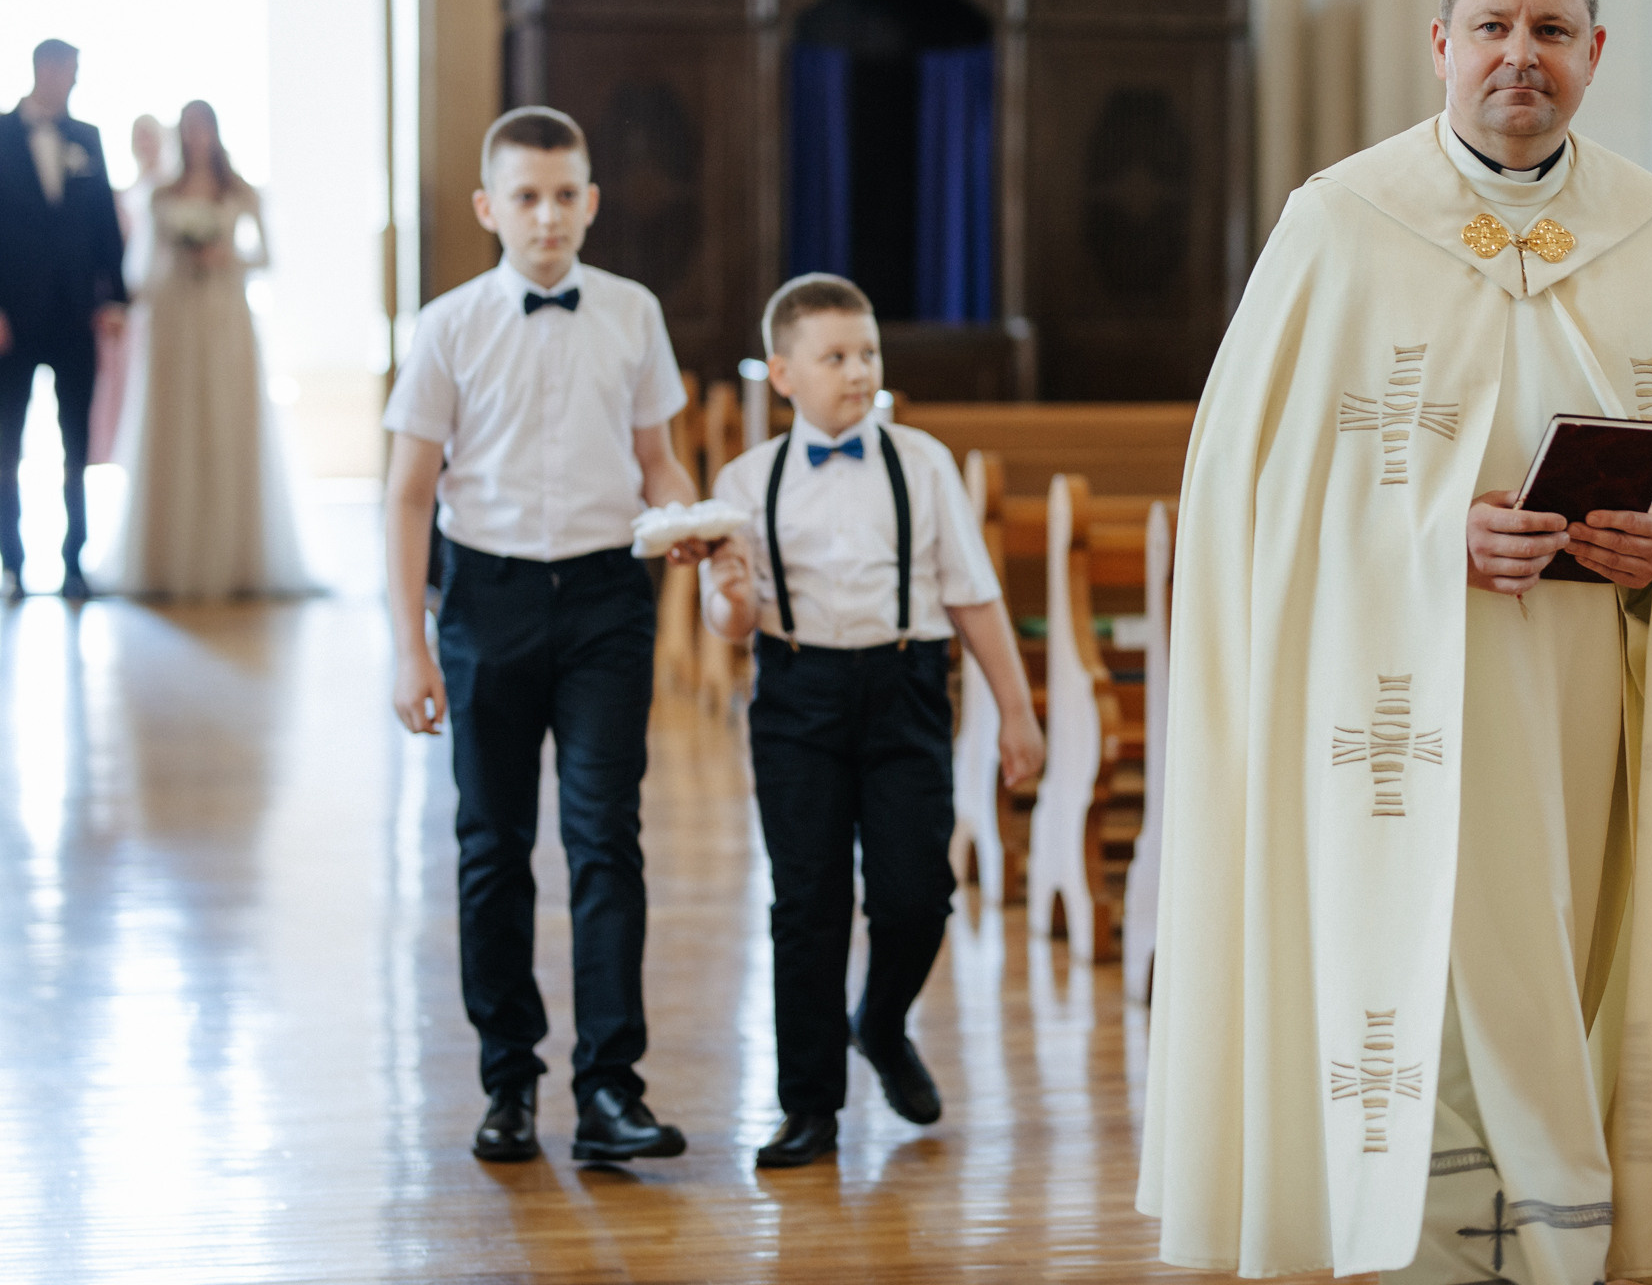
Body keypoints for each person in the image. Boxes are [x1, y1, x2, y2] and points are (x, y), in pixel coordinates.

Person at [1138, 0, 1652, 1285]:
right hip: (1394, 715)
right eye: (1492, 27)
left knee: (1587, 945)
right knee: (1423, 957)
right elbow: (1249, 513)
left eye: (1551, 32)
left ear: (1594, 56)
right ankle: (1423, 1248)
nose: (1520, 56)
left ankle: (1582, 1232)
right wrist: (1435, 541)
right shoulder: (1339, 225)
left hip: (1591, 712)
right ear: (1441, 47)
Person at [384, 105, 711, 1166]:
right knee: (492, 846)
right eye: (525, 196)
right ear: (489, 208)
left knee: (605, 838)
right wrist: (409, 643)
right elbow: (405, 498)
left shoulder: (633, 312)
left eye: (566, 193)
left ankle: (611, 1086)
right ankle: (508, 1083)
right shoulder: (447, 326)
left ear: (592, 202)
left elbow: (654, 457)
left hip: (611, 599)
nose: (548, 214)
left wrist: (690, 518)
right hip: (485, 600)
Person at [698, 274, 1044, 1170]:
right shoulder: (746, 481)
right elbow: (731, 623)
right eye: (835, 358)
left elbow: (973, 597)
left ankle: (881, 1024)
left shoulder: (923, 463)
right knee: (806, 906)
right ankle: (809, 1107)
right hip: (797, 698)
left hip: (905, 691)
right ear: (783, 373)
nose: (857, 373)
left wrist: (1017, 713)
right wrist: (730, 597)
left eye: (868, 355)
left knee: (915, 893)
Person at [108, 101, 311, 598]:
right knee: (176, 428)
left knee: (225, 425)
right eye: (190, 128)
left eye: (205, 127)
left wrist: (228, 258)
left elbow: (264, 256)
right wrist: (127, 306)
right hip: (176, 319)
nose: (198, 137)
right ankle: (168, 560)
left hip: (225, 317)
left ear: (216, 133)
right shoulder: (161, 195)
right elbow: (145, 270)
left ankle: (233, 557)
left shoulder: (240, 191)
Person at [0, 39, 128, 600]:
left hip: (76, 317)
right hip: (11, 321)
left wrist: (115, 299)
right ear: (43, 69)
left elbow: (105, 226)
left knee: (77, 444)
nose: (72, 82)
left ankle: (75, 563)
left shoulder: (88, 138)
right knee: (7, 446)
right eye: (67, 71)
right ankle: (12, 565)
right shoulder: (1, 135)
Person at [90, 112, 169, 467]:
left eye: (149, 135)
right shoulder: (122, 193)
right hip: (132, 301)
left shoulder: (172, 189)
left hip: (165, 302)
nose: (144, 143)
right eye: (138, 136)